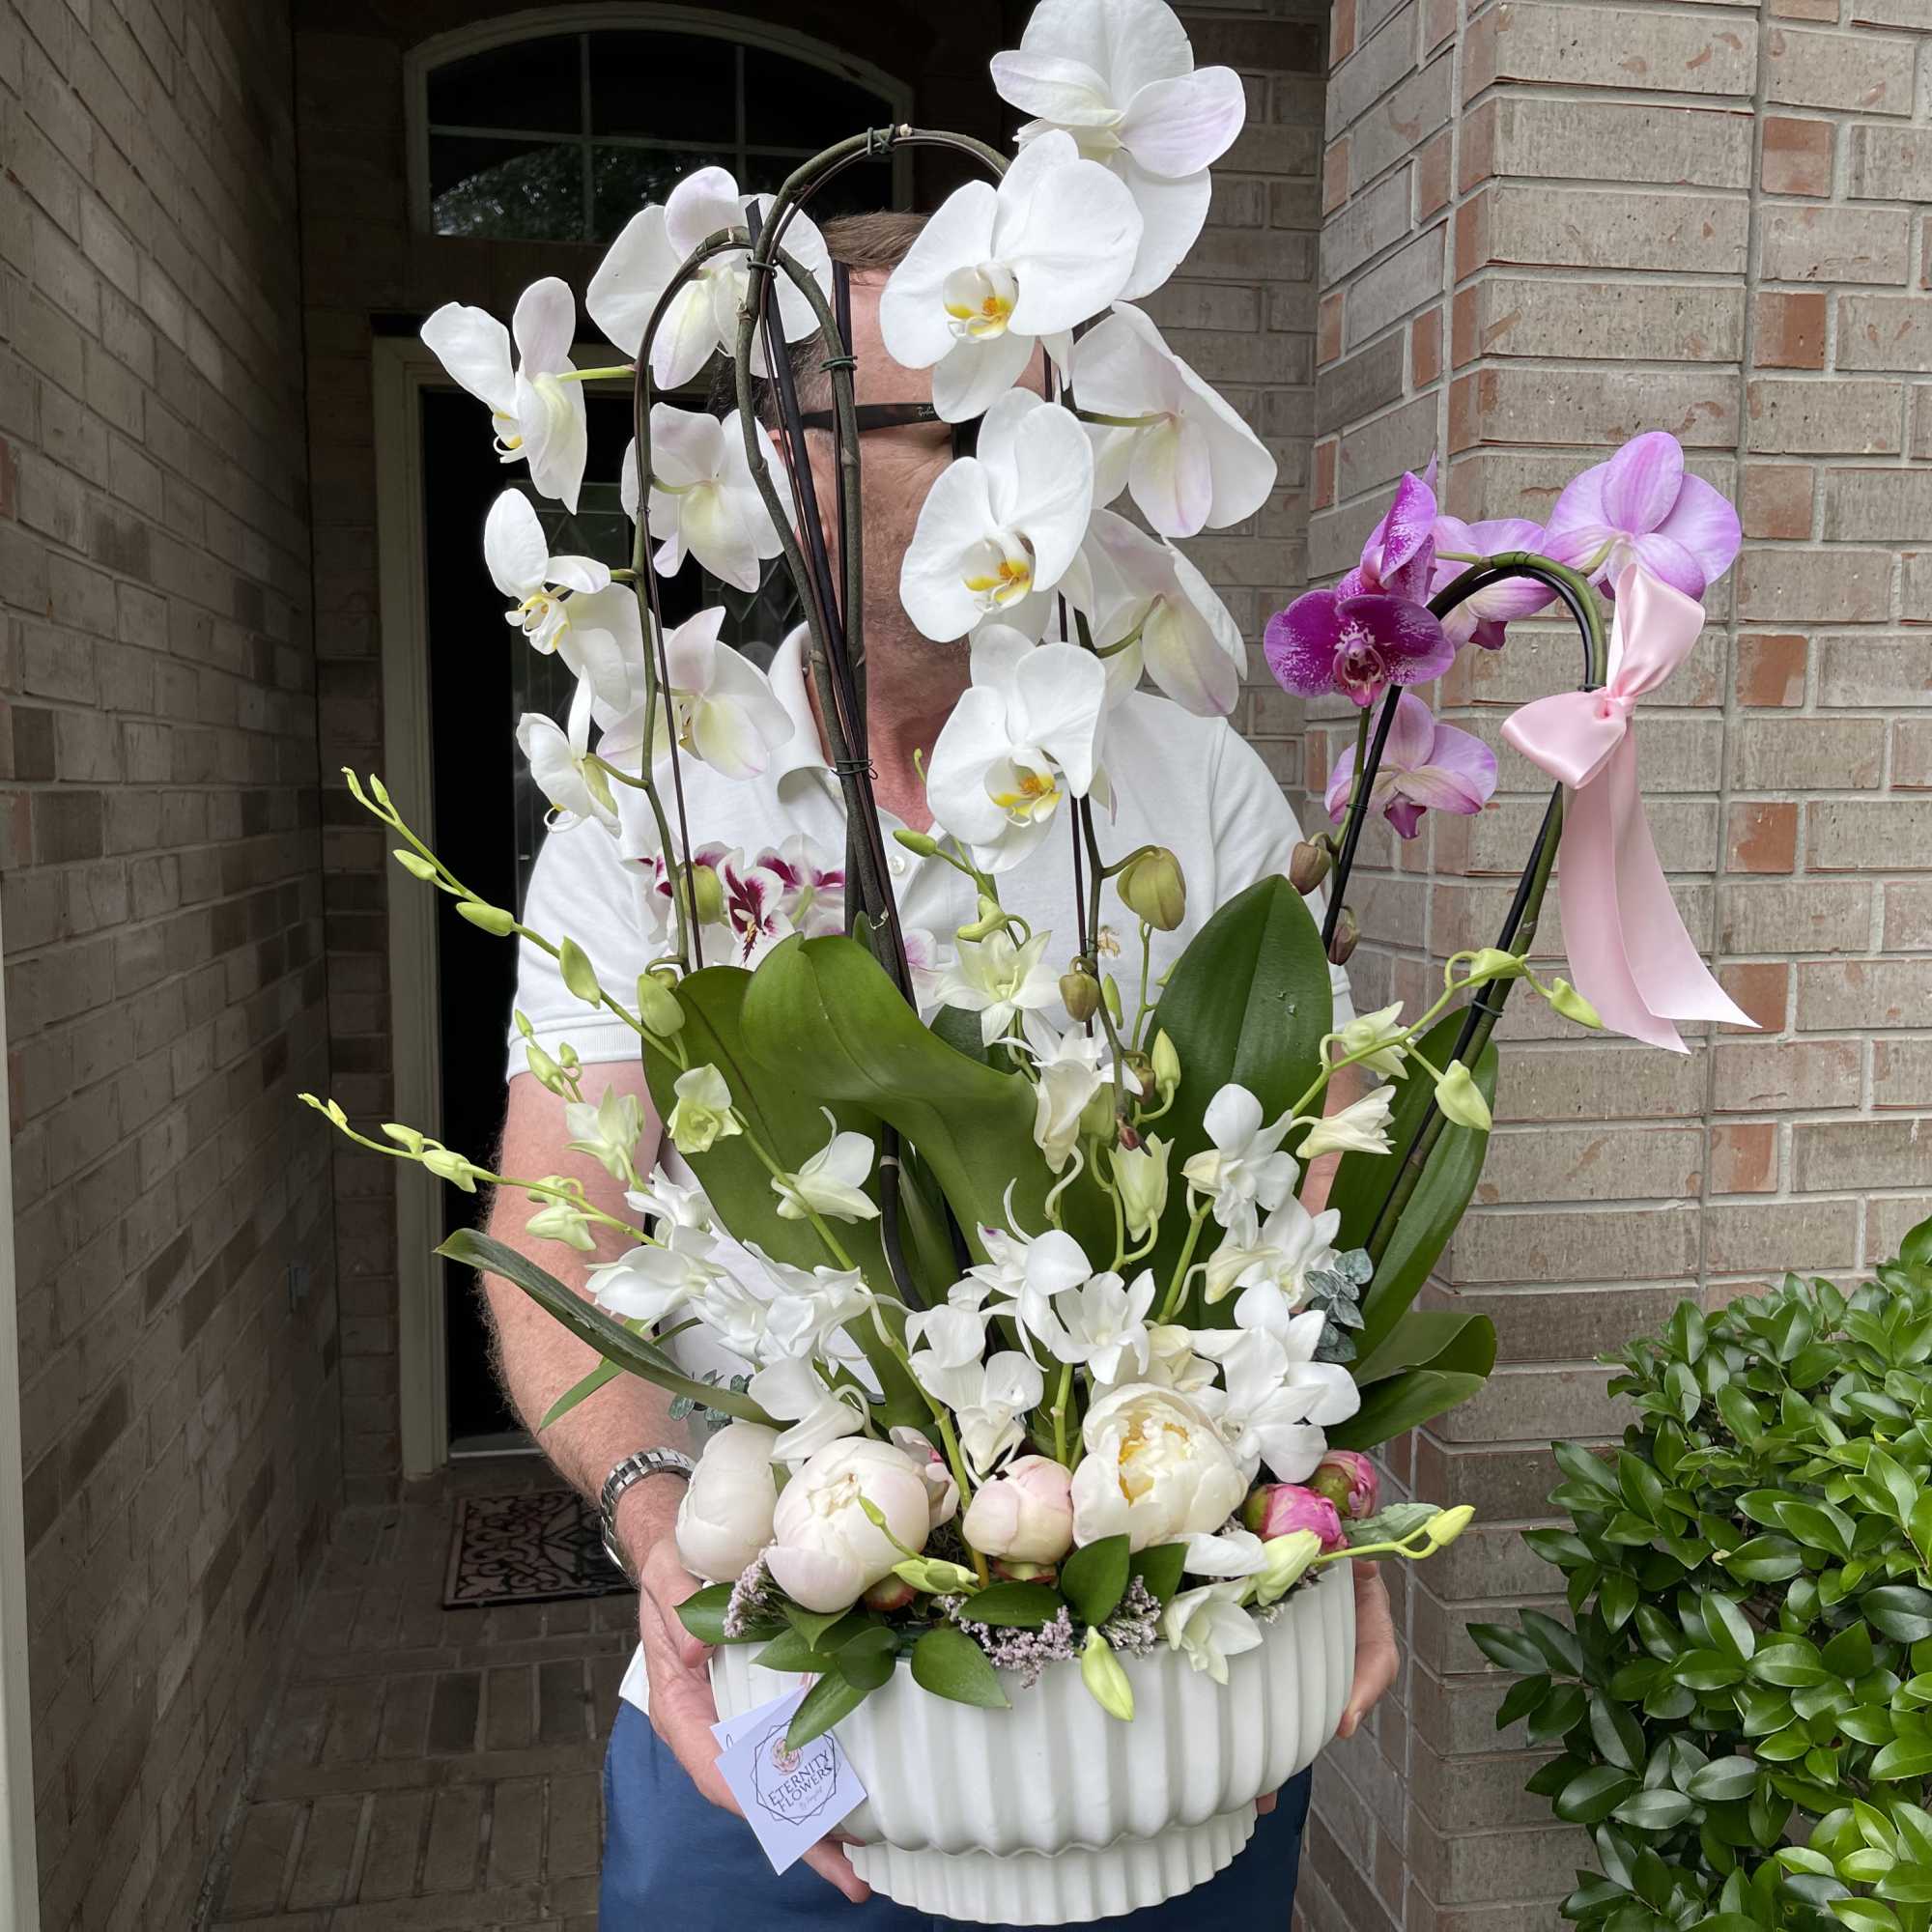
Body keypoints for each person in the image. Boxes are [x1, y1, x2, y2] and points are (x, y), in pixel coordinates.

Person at [479, 213, 1400, 1929]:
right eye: (824, 417)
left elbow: (1313, 1189)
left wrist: (1328, 1504)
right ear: (777, 462)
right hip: (776, 1657)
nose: (1015, 473)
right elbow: (557, 1220)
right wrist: (653, 1518)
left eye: (1010, 420)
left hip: (1158, 1683)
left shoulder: (1186, 789)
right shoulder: (663, 804)